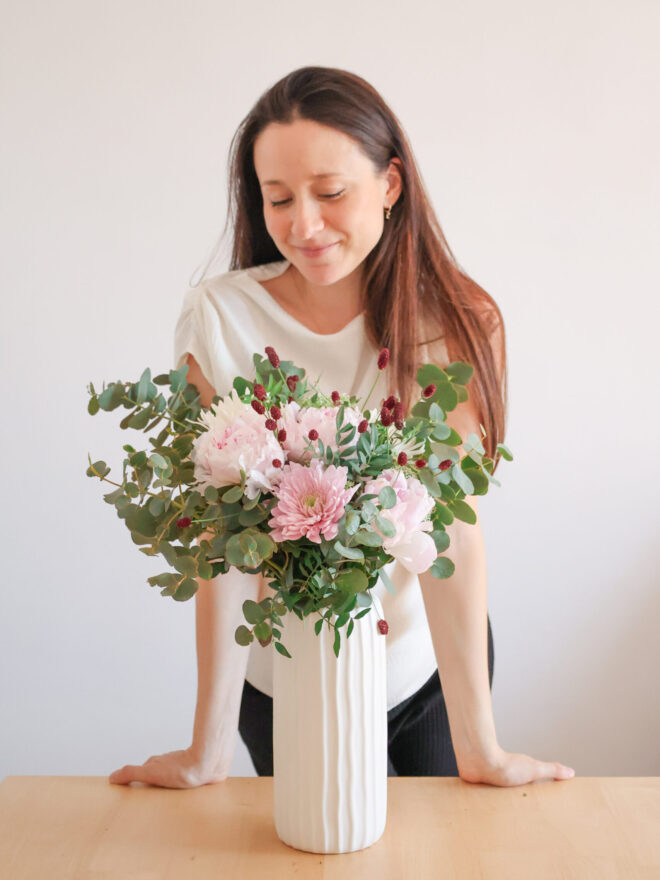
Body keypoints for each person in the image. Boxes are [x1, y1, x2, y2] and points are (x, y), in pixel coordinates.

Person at [109, 66, 575, 788]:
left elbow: (451, 528)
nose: (304, 225)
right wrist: (207, 751)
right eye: (278, 199)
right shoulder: (220, 319)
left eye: (330, 193)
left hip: (426, 669)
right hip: (284, 672)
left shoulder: (455, 322)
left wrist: (482, 749)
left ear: (390, 184)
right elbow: (220, 538)